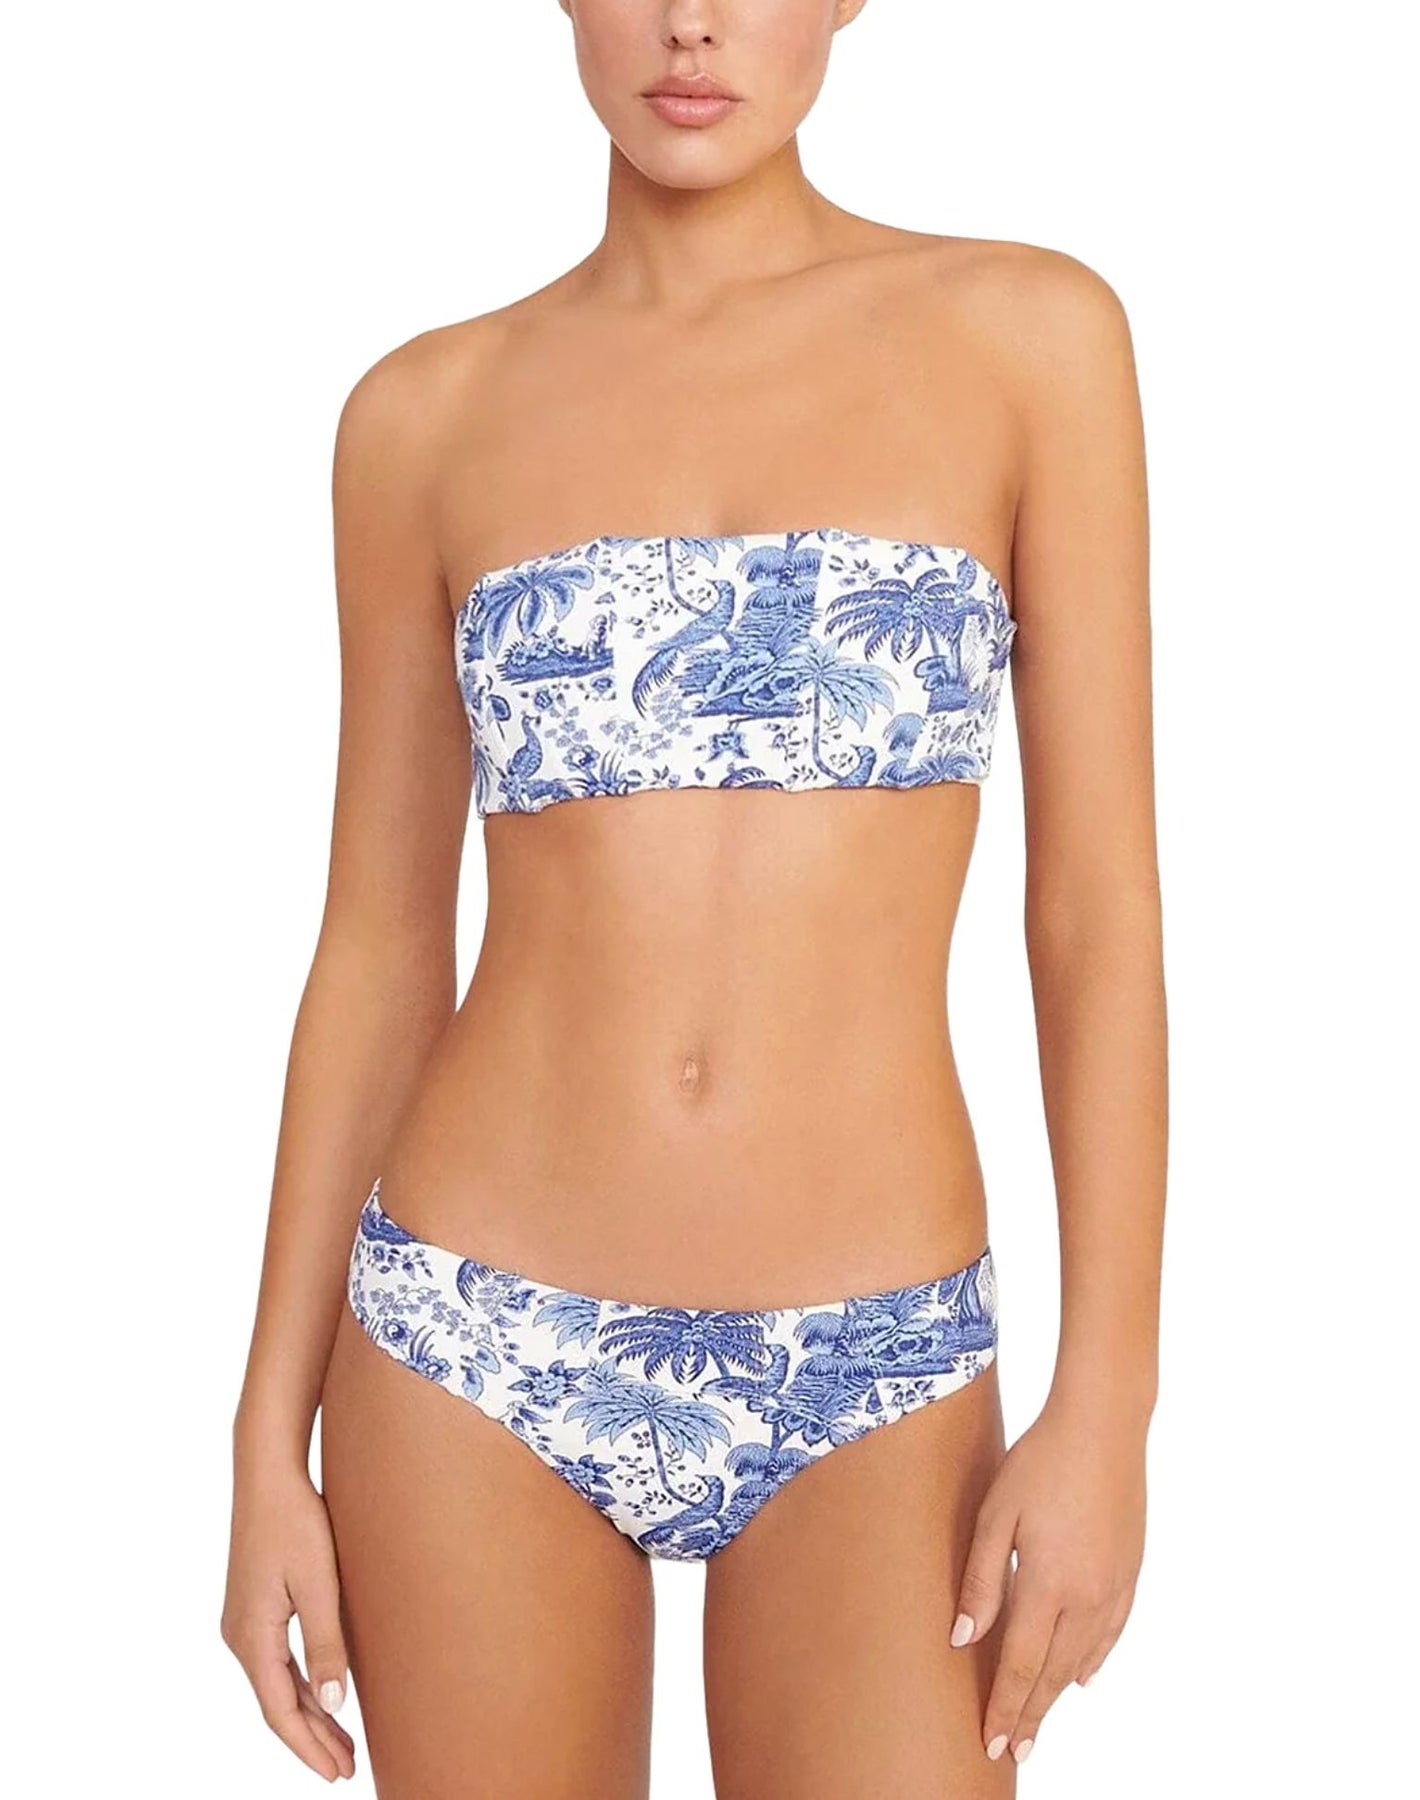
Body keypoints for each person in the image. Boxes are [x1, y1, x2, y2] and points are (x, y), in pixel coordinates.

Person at [220, 3, 1167, 1794]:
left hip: (881, 1361)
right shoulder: (424, 414)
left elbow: (1097, 916)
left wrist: (1108, 1403)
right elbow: (378, 947)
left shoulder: (1028, 338)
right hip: (471, 1339)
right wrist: (267, 1434)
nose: (691, 22)